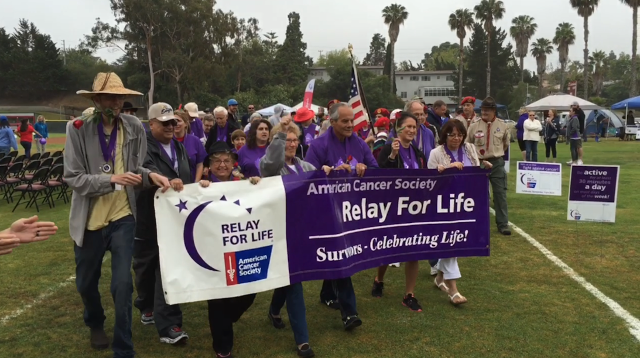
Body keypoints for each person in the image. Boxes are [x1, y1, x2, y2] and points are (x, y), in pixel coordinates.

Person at [64, 72, 171, 357]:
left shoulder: (134, 126)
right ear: (97, 99)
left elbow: (135, 171)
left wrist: (153, 176)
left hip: (123, 217)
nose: (116, 102)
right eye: (110, 97)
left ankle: (124, 348)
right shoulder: (77, 128)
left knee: (123, 286)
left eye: (120, 97)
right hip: (89, 221)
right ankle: (95, 321)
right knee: (86, 284)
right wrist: (110, 180)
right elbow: (73, 178)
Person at [304, 102, 378, 330]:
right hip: (327, 210)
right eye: (344, 121)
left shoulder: (358, 142)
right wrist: (331, 172)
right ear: (332, 121)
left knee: (339, 254)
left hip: (353, 210)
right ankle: (349, 313)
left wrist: (364, 167)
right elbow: (308, 177)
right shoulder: (318, 145)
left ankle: (327, 292)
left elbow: (375, 168)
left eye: (351, 120)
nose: (349, 125)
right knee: (342, 256)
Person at [133, 103, 190, 344]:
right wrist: (167, 180)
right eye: (164, 122)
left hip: (174, 219)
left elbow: (186, 175)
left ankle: (168, 323)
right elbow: (149, 172)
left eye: (173, 122)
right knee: (146, 266)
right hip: (149, 216)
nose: (170, 126)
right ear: (151, 124)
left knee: (166, 269)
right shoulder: (143, 146)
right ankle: (146, 304)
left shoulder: (178, 145)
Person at [259, 125, 318, 357]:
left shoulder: (306, 166)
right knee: (295, 281)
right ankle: (303, 340)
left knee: (288, 277)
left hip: (301, 231)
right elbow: (269, 165)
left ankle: (274, 311)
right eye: (287, 140)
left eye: (295, 140)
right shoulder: (271, 167)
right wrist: (279, 137)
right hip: (279, 231)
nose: (291, 144)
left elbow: (321, 182)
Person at [198, 142, 260, 358]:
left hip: (238, 249)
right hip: (212, 252)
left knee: (249, 292)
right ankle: (223, 349)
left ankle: (225, 320)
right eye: (217, 161)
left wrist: (256, 185)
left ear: (234, 163)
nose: (222, 165)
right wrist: (199, 187)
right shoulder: (200, 187)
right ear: (210, 165)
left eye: (226, 161)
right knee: (217, 300)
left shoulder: (241, 184)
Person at [427, 120, 492, 305]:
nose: (456, 138)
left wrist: (483, 166)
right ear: (444, 135)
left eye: (460, 135)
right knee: (452, 242)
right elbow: (429, 181)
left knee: (456, 241)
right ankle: (453, 290)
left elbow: (475, 170)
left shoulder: (469, 149)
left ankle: (440, 277)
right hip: (444, 204)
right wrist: (446, 169)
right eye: (452, 135)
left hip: (467, 203)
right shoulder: (436, 153)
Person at [371, 112, 428, 312]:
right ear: (398, 129)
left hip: (413, 209)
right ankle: (379, 279)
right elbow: (379, 174)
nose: (412, 130)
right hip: (392, 208)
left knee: (414, 250)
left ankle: (409, 294)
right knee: (389, 247)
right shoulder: (388, 148)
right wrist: (393, 156)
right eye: (408, 127)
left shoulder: (418, 153)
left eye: (414, 127)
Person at [466, 97, 511, 236]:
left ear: (494, 110)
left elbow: (506, 143)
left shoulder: (503, 125)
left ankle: (503, 224)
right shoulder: (474, 125)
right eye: (483, 109)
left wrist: (495, 153)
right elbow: (468, 144)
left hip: (496, 162)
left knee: (500, 194)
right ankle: (480, 223)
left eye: (487, 110)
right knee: (480, 195)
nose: (484, 112)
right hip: (479, 163)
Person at [174, 111, 207, 182]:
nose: (176, 124)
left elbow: (200, 164)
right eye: (173, 121)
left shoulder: (195, 140)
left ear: (186, 123)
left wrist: (196, 183)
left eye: (178, 121)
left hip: (191, 183)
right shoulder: (167, 141)